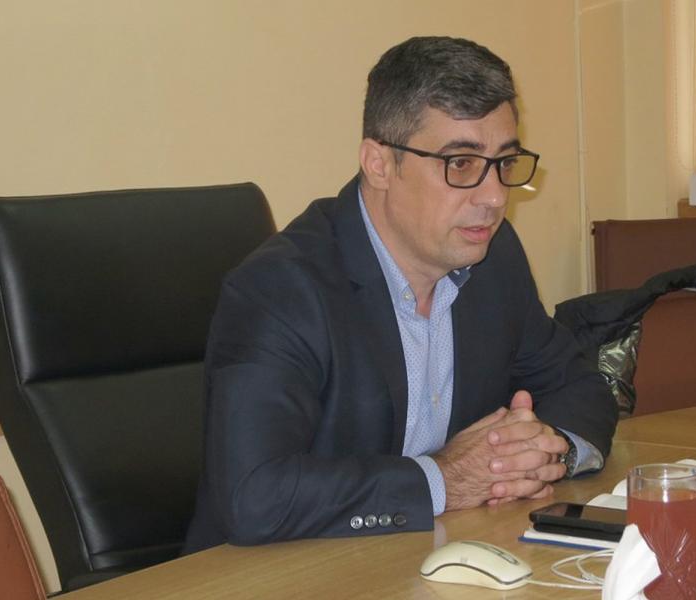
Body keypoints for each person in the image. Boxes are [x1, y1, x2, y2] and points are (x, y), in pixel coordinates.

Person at [183, 36, 617, 551]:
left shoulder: (492, 257)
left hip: (424, 559)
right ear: (379, 164)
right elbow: (255, 498)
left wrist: (548, 453)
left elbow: (579, 384)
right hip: (275, 574)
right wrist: (445, 480)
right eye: (461, 163)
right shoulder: (280, 290)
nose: (495, 197)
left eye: (504, 162)